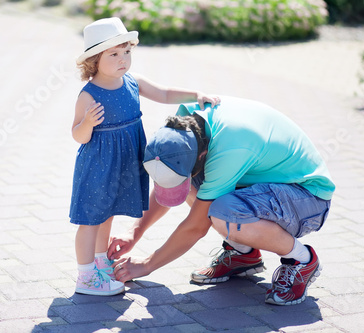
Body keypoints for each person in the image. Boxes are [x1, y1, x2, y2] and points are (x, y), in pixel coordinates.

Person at [108, 95, 335, 305]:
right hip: (266, 183)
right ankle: (243, 253)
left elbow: (195, 227)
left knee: (223, 212)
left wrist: (147, 265)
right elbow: (171, 185)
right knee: (199, 186)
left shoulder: (229, 148)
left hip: (307, 198)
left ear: (201, 156)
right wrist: (134, 232)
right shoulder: (185, 126)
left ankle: (302, 260)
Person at [70, 17, 220, 296]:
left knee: (108, 216)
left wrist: (195, 94)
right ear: (93, 60)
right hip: (99, 166)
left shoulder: (132, 82)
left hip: (125, 162)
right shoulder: (88, 95)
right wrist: (87, 123)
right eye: (113, 54)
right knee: (90, 219)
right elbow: (77, 135)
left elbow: (163, 92)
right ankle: (86, 276)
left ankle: (101, 262)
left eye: (126, 52)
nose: (122, 59)